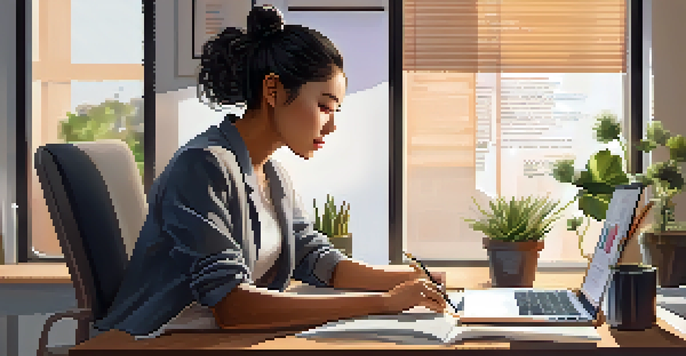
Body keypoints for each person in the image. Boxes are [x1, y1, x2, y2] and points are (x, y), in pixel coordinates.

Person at [95, 5, 446, 338]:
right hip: (161, 339)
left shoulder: (273, 175)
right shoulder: (202, 166)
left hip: (216, 338)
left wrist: (412, 279)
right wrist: (383, 303)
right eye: (324, 106)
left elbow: (315, 260)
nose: (332, 125)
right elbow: (233, 306)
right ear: (273, 90)